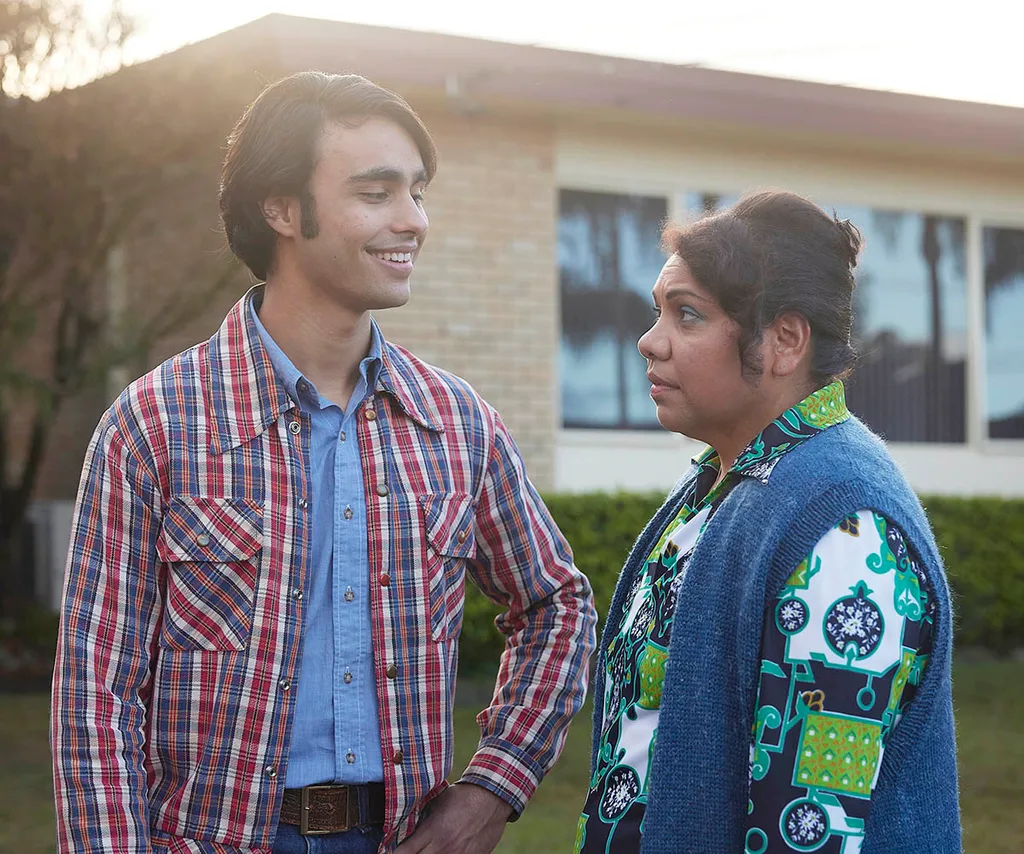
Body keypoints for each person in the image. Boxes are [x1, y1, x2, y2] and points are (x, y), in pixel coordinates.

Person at [51, 71, 596, 854]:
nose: (412, 221)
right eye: (376, 193)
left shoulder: (457, 424)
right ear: (281, 208)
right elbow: (94, 698)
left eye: (418, 192)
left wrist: (491, 789)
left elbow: (557, 607)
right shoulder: (155, 426)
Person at [575, 191, 961, 854]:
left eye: (687, 315)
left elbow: (806, 830)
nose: (649, 340)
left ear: (784, 341)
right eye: (659, 311)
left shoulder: (845, 532)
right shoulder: (720, 483)